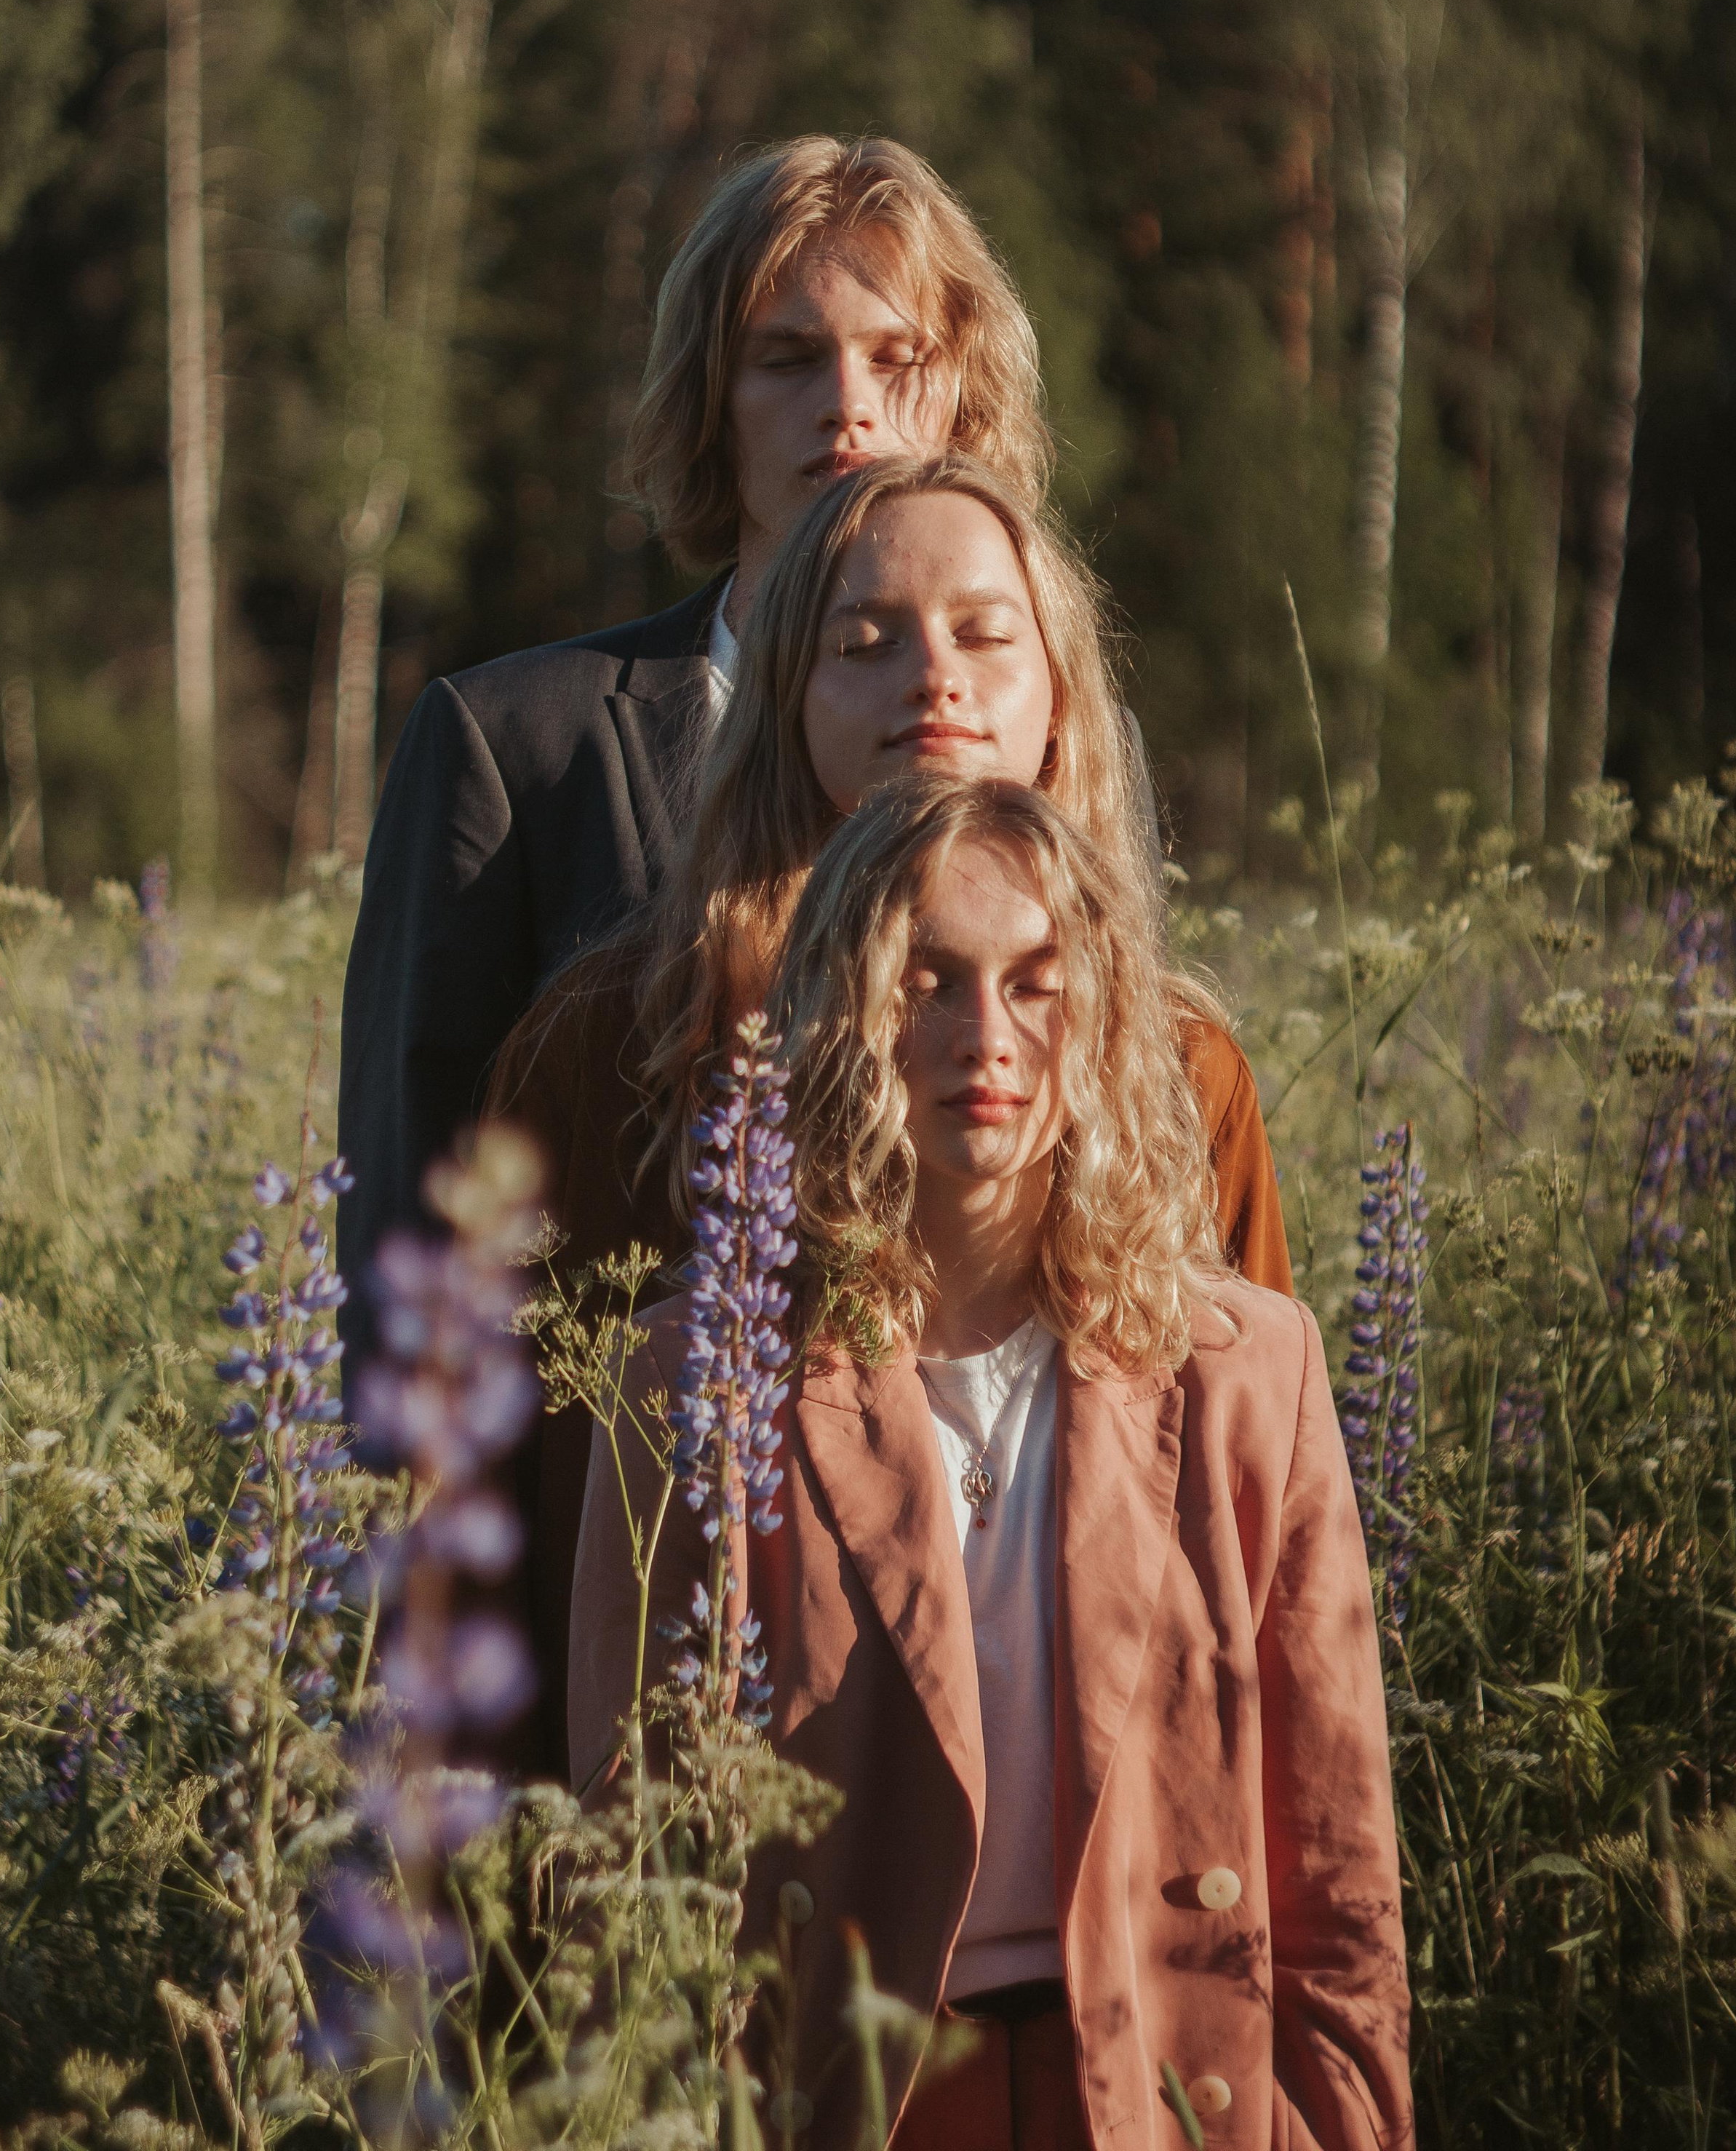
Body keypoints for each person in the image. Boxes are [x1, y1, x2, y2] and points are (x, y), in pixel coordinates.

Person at [568, 779, 1413, 2151]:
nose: (987, 1038)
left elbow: (1339, 1881)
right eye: (930, 982)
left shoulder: (1250, 1370)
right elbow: (632, 1873)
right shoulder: (697, 1377)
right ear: (847, 1014)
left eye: (1037, 984)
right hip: (856, 2099)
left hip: (1167, 2089)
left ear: (1103, 1018)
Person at [488, 452, 1292, 1773]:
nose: (937, 677)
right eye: (864, 643)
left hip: (1109, 1868)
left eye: (987, 633)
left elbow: (1253, 1531)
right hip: (719, 1877)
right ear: (785, 699)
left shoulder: (1178, 1067)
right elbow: (497, 1507)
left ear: (1059, 698)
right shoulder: (620, 1049)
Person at [337, 136, 1051, 1375]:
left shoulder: (1051, 733)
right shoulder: (513, 748)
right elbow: (413, 1215)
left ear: (962, 395)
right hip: (624, 1497)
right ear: (710, 400)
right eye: (788, 358)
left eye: (898, 358)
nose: (849, 404)